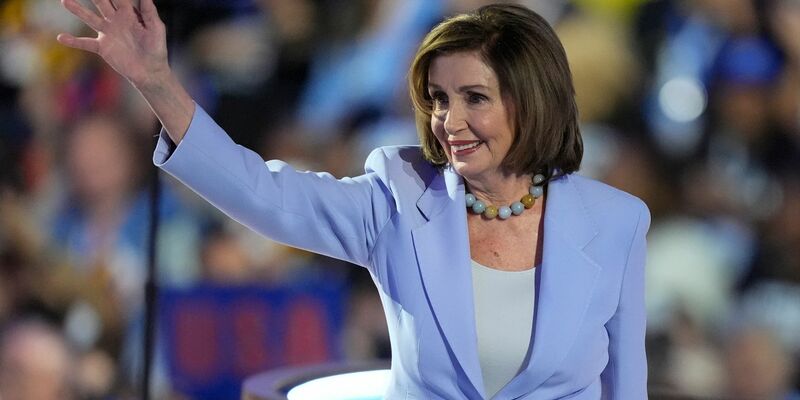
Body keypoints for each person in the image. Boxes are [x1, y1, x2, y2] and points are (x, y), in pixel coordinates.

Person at [57, 1, 650, 398]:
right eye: (439, 98)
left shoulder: (617, 222)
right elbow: (261, 193)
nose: (450, 121)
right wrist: (158, 82)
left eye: (475, 97)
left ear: (532, 99)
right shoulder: (398, 198)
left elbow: (626, 386)